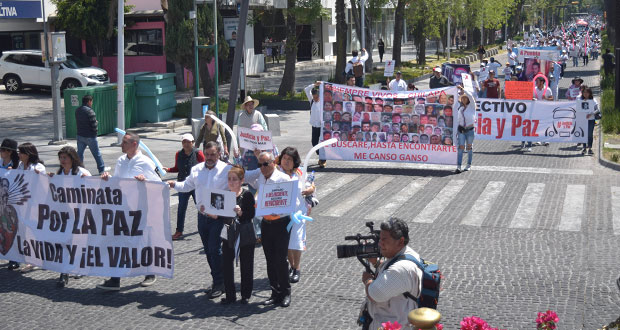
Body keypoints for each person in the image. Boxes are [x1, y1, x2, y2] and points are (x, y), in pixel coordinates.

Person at [97, 133, 161, 290]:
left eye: (124, 142)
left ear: (134, 144)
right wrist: (108, 178)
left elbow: (159, 185)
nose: (121, 145)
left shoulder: (145, 162)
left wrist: (145, 181)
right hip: (123, 208)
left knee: (141, 241)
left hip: (140, 209)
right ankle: (115, 279)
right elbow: (118, 181)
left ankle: (150, 272)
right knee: (118, 242)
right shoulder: (121, 160)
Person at [168, 141, 231, 298]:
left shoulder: (227, 170)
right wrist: (173, 184)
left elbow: (235, 188)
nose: (209, 157)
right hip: (202, 217)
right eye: (207, 154)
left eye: (213, 154)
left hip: (219, 217)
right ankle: (217, 280)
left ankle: (220, 282)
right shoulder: (196, 170)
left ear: (219, 154)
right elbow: (187, 186)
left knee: (214, 249)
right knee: (209, 251)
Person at [245, 151, 294, 307]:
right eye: (260, 165)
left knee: (280, 260)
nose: (263, 167)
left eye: (265, 164)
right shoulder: (260, 177)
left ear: (273, 163)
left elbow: (291, 202)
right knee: (270, 260)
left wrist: (280, 210)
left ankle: (286, 292)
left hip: (281, 223)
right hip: (266, 224)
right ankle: (275, 292)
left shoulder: (284, 179)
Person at [361, 218, 422, 330]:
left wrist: (367, 280)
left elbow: (375, 294)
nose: (379, 243)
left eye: (384, 239)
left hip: (394, 326)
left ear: (400, 241)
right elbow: (389, 268)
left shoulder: (400, 269)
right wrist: (376, 263)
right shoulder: (407, 253)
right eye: (380, 239)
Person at [273, 147, 316, 285]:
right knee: (286, 244)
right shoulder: (276, 172)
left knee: (296, 241)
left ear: (294, 161)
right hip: (282, 213)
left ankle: (297, 268)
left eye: (289, 159)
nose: (286, 161)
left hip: (298, 213)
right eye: (284, 158)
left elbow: (311, 185)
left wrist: (311, 189)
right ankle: (291, 265)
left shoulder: (299, 173)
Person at [50, 146, 91, 287]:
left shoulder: (82, 173)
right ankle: (64, 271)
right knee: (64, 241)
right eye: (60, 158)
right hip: (64, 214)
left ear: (72, 159)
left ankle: (79, 266)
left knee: (78, 242)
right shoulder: (59, 174)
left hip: (80, 213)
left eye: (65, 158)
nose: (62, 161)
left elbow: (94, 192)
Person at [220, 165, 256, 305]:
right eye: (229, 179)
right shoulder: (225, 194)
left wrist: (241, 213)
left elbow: (251, 215)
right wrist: (209, 211)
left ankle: (245, 294)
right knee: (226, 265)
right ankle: (230, 295)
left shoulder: (247, 194)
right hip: (228, 232)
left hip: (245, 232)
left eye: (234, 179)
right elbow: (219, 214)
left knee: (247, 264)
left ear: (242, 181)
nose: (231, 182)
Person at [165, 134, 205, 240]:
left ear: (193, 142)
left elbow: (205, 167)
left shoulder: (198, 153)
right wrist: (168, 170)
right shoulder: (178, 154)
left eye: (188, 142)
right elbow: (177, 168)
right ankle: (179, 231)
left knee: (201, 206)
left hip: (196, 185)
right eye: (184, 142)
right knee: (181, 208)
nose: (186, 144)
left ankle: (205, 227)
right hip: (183, 184)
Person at [0, 138, 20, 271]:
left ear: (9, 152)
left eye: (2, 150)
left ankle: (15, 259)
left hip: (11, 206)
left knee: (11, 231)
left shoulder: (18, 167)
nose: (0, 152)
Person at [75, 94, 107, 174]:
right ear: (89, 101)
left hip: (80, 135)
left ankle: (79, 170)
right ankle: (101, 170)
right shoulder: (90, 111)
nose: (92, 103)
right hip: (90, 136)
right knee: (97, 154)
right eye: (91, 101)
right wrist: (96, 128)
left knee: (79, 154)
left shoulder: (77, 110)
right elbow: (93, 125)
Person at [237, 96, 267, 171]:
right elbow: (239, 131)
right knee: (247, 162)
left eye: (252, 104)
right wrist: (238, 144)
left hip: (257, 143)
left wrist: (265, 140)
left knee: (259, 160)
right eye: (248, 105)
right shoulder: (241, 116)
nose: (251, 106)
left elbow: (264, 127)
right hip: (246, 143)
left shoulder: (258, 114)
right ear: (245, 106)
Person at [455, 86, 476, 173]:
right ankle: (459, 166)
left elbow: (470, 96)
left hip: (470, 130)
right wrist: (456, 131)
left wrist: (463, 89)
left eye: (465, 98)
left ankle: (468, 164)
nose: (463, 99)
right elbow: (458, 120)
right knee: (460, 148)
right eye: (462, 98)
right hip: (461, 130)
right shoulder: (460, 108)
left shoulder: (472, 106)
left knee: (469, 147)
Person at [305, 81, 326, 168]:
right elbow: (306, 90)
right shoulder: (312, 101)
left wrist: (322, 85)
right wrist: (314, 85)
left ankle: (323, 159)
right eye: (314, 97)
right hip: (314, 125)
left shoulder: (323, 102)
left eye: (317, 97)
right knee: (314, 143)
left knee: (322, 143)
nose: (315, 98)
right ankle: (320, 155)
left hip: (322, 126)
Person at [579, 87, 600, 155]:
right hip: (583, 120)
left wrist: (591, 114)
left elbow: (597, 110)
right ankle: (584, 148)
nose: (585, 94)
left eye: (587, 92)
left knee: (590, 134)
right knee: (584, 134)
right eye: (584, 92)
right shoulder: (580, 100)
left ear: (590, 93)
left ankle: (590, 148)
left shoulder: (593, 100)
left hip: (591, 120)